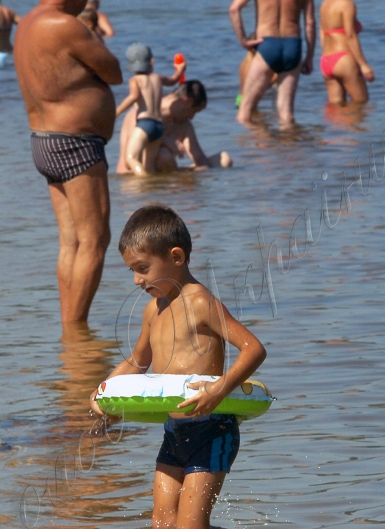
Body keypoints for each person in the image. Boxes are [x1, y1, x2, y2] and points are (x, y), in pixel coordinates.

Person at [90, 205, 299, 529]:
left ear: (176, 258)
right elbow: (137, 362)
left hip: (212, 429)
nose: (136, 280)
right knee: (164, 527)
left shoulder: (201, 302)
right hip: (174, 431)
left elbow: (254, 348)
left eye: (142, 269)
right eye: (132, 271)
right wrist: (102, 394)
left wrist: (219, 390)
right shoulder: (154, 310)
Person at [14, 0, 122, 324]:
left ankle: (69, 323)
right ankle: (76, 330)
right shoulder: (65, 25)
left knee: (71, 241)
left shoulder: (27, 24)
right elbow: (114, 72)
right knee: (95, 240)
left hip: (45, 140)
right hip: (75, 143)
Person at [230, 0, 316, 127]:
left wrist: (243, 40)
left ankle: (263, 144)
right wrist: (309, 56)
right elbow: (310, 23)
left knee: (244, 112)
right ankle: (289, 145)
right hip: (293, 45)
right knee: (286, 113)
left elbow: (234, 9)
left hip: (267, 44)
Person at [116, 81, 233, 174]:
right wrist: (166, 141)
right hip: (133, 177)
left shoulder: (183, 124)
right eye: (194, 111)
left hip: (167, 177)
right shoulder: (143, 113)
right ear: (187, 102)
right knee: (164, 156)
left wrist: (198, 183)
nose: (192, 117)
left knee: (224, 159)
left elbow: (200, 160)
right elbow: (131, 158)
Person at [115, 44, 186, 176]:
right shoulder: (158, 78)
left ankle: (143, 180)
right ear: (151, 61)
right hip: (159, 126)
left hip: (145, 124)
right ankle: (151, 191)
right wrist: (180, 70)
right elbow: (173, 80)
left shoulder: (135, 80)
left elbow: (133, 97)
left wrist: (117, 112)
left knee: (131, 158)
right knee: (149, 166)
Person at [319, 0, 374, 105]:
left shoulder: (325, 4)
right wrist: (363, 64)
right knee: (361, 105)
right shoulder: (347, 4)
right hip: (344, 58)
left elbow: (322, 33)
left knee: (336, 110)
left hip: (326, 59)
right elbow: (350, 36)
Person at [235, 32, 278, 109]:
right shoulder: (252, 66)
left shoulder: (243, 63)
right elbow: (264, 85)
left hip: (239, 99)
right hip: (247, 102)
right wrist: (277, 75)